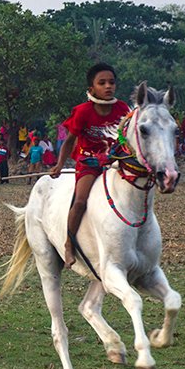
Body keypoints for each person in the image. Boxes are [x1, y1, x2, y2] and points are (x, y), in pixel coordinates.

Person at [50, 62, 129, 268]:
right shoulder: (83, 112)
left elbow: (126, 139)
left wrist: (117, 156)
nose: (108, 86)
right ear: (91, 88)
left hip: (115, 162)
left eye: (111, 82)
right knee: (81, 200)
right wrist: (59, 165)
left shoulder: (122, 109)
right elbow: (69, 142)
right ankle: (68, 244)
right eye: (101, 83)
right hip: (89, 163)